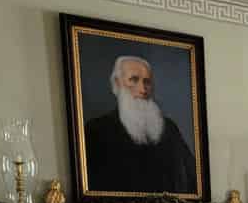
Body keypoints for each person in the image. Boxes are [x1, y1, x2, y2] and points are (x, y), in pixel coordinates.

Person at [83, 55, 197, 195]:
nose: (143, 89)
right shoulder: (96, 130)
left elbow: (192, 179)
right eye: (134, 80)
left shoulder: (169, 128)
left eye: (147, 82)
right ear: (117, 83)